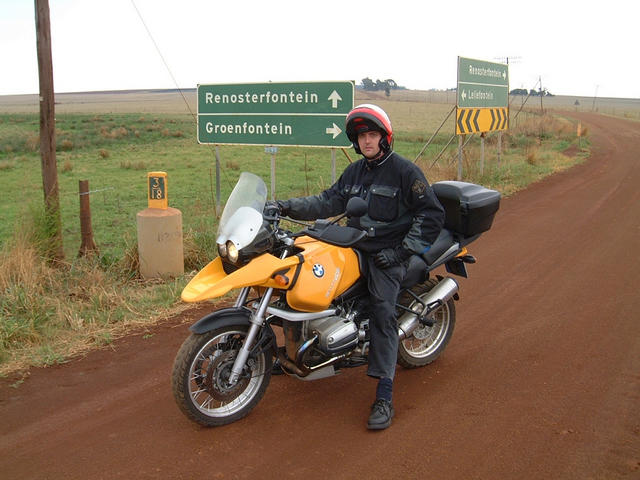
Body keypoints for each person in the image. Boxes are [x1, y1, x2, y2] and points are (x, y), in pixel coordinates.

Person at [275, 104, 445, 430]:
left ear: (384, 138)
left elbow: (432, 214)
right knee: (303, 279)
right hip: (352, 247)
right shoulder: (354, 172)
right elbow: (327, 201)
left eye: (372, 134)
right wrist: (285, 206)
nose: (367, 141)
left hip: (387, 254)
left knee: (383, 311)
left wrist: (401, 252)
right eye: (362, 136)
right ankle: (298, 350)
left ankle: (384, 394)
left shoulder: (405, 172)